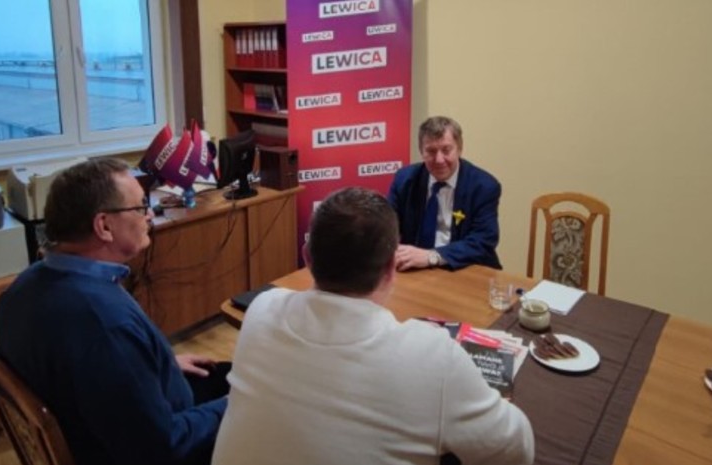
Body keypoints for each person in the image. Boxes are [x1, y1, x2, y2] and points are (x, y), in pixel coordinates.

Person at [210, 187, 534, 465]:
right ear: (392, 267)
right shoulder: (434, 359)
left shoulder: (261, 309)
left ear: (307, 257)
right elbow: (517, 450)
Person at [0, 158, 230, 465]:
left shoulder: (21, 289)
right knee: (264, 400)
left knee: (229, 373)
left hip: (97, 421)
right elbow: (160, 448)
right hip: (141, 448)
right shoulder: (104, 324)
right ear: (104, 226)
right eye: (140, 207)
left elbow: (82, 368)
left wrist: (158, 364)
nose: (149, 214)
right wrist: (235, 405)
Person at [388, 116, 502, 271]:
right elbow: (387, 227)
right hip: (416, 269)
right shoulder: (405, 179)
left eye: (446, 150)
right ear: (421, 151)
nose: (439, 160)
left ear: (459, 149)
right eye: (431, 151)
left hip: (465, 268)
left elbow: (483, 241)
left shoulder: (484, 187)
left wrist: (432, 256)